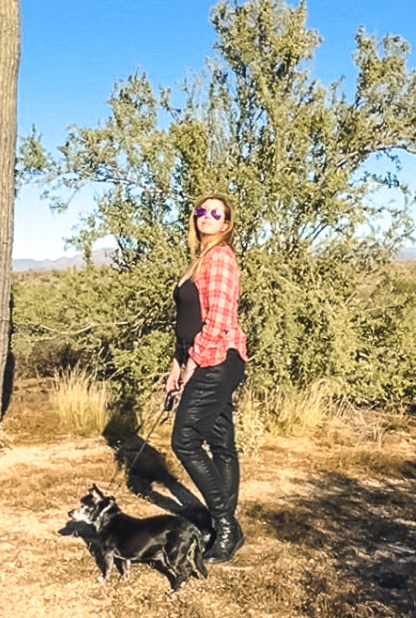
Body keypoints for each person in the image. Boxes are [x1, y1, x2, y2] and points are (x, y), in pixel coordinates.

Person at [166, 193, 248, 563]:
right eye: (202, 211)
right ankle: (222, 524)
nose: (207, 217)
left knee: (184, 440)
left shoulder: (220, 259)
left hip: (217, 359)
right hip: (203, 357)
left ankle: (226, 526)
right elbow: (187, 324)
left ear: (226, 223)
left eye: (217, 213)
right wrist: (175, 364)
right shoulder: (198, 260)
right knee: (222, 443)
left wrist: (193, 365)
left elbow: (217, 321)